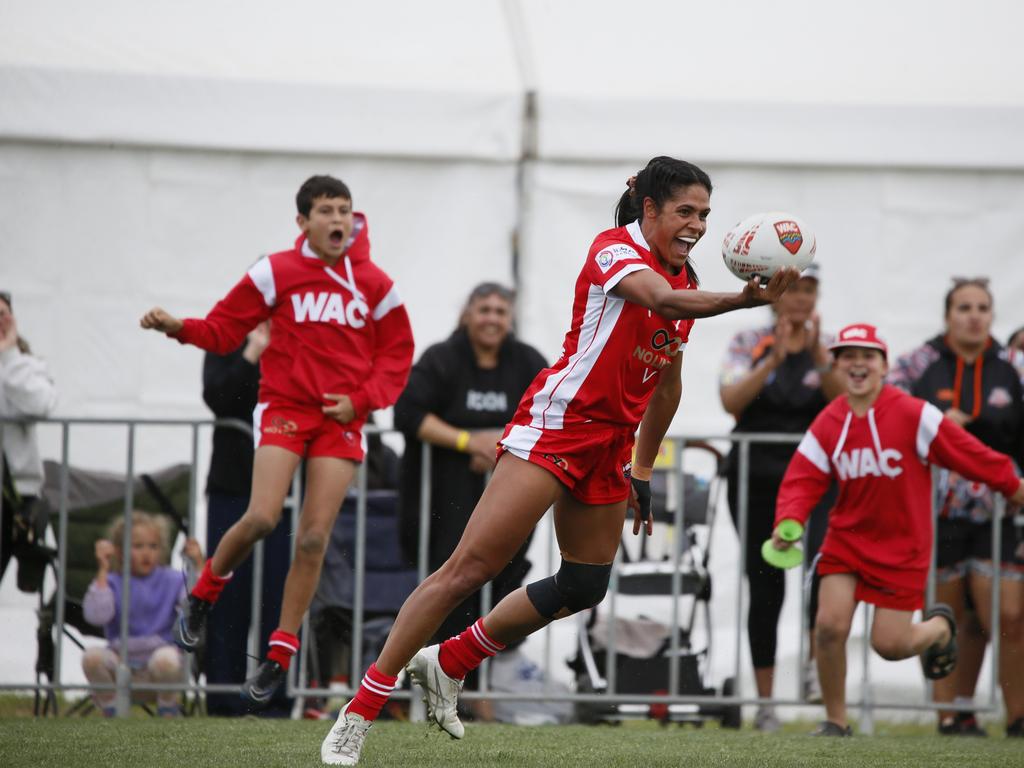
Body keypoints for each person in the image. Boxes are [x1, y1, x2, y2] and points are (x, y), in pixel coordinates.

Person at [319, 155, 801, 765]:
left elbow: (668, 386)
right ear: (649, 208)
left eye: (705, 214)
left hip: (610, 446)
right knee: (468, 569)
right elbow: (658, 299)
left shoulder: (685, 279)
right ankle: (359, 712)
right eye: (685, 211)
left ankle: (450, 661)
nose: (697, 225)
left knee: (584, 584)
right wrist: (742, 299)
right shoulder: (614, 250)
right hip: (557, 428)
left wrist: (643, 469)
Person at [140, 175, 414, 706]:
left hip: (340, 419)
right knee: (262, 517)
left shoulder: (376, 283)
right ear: (303, 223)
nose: (338, 219)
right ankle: (203, 594)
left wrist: (360, 402)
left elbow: (398, 355)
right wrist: (178, 327)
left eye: (344, 210)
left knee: (313, 539)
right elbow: (223, 330)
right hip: (286, 409)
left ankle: (279, 653)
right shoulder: (275, 272)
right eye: (326, 210)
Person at [772, 323, 1024, 737]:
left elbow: (966, 453)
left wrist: (1011, 484)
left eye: (868, 355)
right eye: (848, 356)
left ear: (885, 366)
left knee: (888, 645)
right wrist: (789, 522)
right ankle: (836, 720)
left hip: (903, 546)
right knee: (830, 626)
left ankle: (940, 627)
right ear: (835, 366)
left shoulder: (912, 412)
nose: (857, 364)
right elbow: (802, 479)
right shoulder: (828, 422)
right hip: (846, 540)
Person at [393, 282, 546, 701]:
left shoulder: (527, 362)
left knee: (499, 594)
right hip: (439, 505)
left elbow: (552, 414)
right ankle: (423, 691)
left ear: (510, 319)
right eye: (484, 310)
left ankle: (473, 695)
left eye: (500, 311)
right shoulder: (442, 359)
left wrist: (500, 445)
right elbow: (406, 412)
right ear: (467, 314)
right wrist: (467, 441)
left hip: (508, 503)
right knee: (448, 594)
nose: (492, 318)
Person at [888, 277, 1024, 737]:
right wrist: (935, 420)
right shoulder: (919, 363)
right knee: (946, 615)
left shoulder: (1013, 368)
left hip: (998, 510)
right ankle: (951, 716)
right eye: (963, 307)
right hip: (935, 508)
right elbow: (886, 408)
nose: (973, 315)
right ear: (948, 315)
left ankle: (1018, 716)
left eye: (982, 307)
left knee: (1006, 615)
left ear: (991, 316)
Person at [718, 263, 842, 728]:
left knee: (822, 574)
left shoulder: (828, 348)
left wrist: (814, 356)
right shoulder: (749, 341)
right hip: (757, 481)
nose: (801, 299)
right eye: (794, 289)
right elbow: (731, 400)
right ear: (777, 293)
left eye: (810, 289)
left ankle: (818, 677)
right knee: (764, 584)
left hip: (817, 484)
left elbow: (842, 404)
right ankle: (766, 704)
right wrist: (774, 359)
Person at [201, 320, 294, 716]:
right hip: (233, 486)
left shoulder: (302, 341)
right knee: (228, 595)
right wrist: (253, 350)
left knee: (278, 596)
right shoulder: (224, 337)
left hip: (287, 490)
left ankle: (275, 699)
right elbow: (221, 398)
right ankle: (223, 698)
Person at [81, 511, 204, 716]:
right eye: (138, 546)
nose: (147, 553)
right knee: (91, 658)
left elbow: (196, 605)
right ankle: (111, 708)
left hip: (160, 671)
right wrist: (102, 570)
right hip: (120, 669)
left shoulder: (172, 579)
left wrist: (198, 565)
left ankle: (168, 707)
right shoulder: (112, 581)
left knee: (167, 659)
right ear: (120, 552)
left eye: (153, 546)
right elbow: (96, 616)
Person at [0, 290, 58, 592]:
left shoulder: (26, 364)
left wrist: (8, 356)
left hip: (17, 498)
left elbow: (41, 404)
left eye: (4, 314)